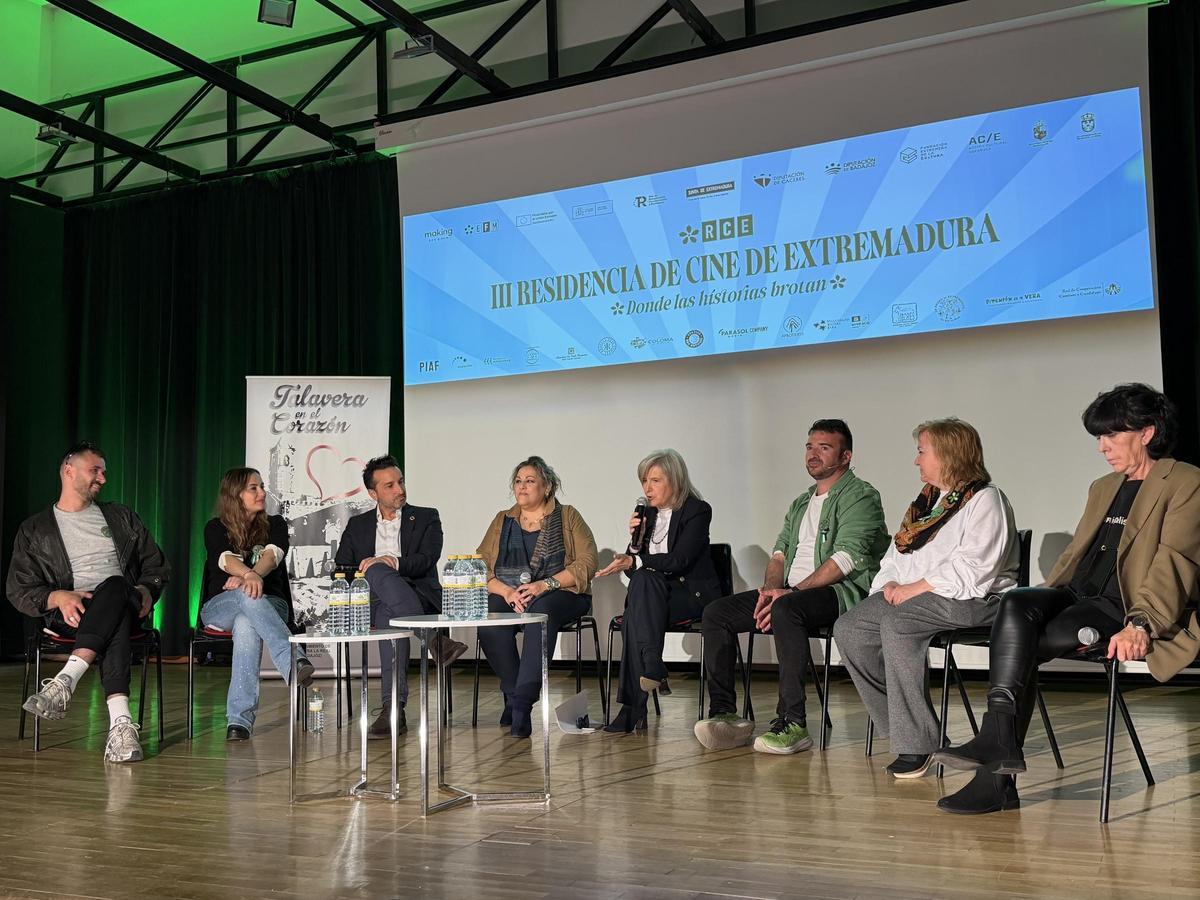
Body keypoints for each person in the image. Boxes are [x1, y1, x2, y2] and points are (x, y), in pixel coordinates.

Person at [934, 384, 1200, 814]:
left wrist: (1142, 624)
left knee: (1019, 650)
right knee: (1017, 602)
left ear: (1147, 432)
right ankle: (998, 744)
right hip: (1077, 596)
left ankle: (995, 775)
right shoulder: (1104, 486)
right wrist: (1045, 595)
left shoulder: (1184, 482)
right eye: (1099, 437)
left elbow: (1174, 561)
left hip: (1123, 607)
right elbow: (1080, 556)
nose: (1102, 447)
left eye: (1112, 435)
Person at [833, 419, 1019, 778]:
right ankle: (910, 730)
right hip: (918, 596)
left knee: (898, 624)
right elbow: (894, 558)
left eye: (922, 452)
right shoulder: (925, 505)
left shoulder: (985, 500)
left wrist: (913, 589)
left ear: (949, 455)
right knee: (850, 629)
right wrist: (887, 586)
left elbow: (974, 570)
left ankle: (915, 743)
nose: (916, 461)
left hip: (977, 598)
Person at [695, 420, 890, 753]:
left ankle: (793, 723)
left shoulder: (861, 495)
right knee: (717, 613)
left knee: (787, 608)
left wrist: (791, 594)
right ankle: (724, 714)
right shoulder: (801, 503)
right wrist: (770, 591)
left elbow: (846, 559)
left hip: (839, 594)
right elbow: (779, 554)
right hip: (789, 594)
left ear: (845, 457)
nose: (813, 454)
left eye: (824, 447)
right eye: (809, 446)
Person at [8, 442, 170, 763]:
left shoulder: (121, 517)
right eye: (95, 470)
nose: (103, 478)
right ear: (69, 471)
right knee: (115, 618)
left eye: (104, 472)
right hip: (70, 615)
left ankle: (66, 680)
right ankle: (121, 727)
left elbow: (156, 565)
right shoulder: (35, 529)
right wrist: (58, 596)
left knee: (114, 587)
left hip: (126, 599)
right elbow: (18, 588)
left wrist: (148, 590)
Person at [597, 449, 722, 734]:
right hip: (652, 598)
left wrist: (637, 561)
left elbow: (680, 560)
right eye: (644, 481)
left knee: (635, 614)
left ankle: (632, 709)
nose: (647, 488)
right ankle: (652, 663)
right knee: (641, 589)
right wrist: (633, 545)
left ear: (674, 480)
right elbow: (634, 571)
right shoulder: (647, 516)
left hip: (689, 596)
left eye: (655, 480)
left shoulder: (697, 510)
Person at [336, 454, 461, 738]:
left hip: (418, 594)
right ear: (373, 493)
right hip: (371, 597)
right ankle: (435, 642)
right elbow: (340, 570)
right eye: (390, 485)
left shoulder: (427, 516)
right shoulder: (358, 526)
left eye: (401, 482)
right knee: (376, 573)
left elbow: (427, 560)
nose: (399, 490)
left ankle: (393, 709)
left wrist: (392, 561)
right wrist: (375, 568)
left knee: (389, 612)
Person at [477, 456, 598, 738]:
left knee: (539, 612)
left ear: (547, 487)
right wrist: (506, 591)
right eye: (518, 481)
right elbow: (480, 563)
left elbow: (587, 562)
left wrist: (545, 584)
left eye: (530, 481)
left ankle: (521, 705)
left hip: (561, 593)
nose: (522, 486)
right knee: (488, 616)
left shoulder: (568, 516)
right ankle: (513, 691)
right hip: (512, 593)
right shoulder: (502, 520)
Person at [200, 467, 314, 741]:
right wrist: (247, 575)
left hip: (271, 603)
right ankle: (291, 661)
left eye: (261, 486)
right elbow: (225, 560)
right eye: (254, 488)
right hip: (220, 606)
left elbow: (272, 557)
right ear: (235, 494)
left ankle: (238, 722)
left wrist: (251, 577)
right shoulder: (215, 527)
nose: (262, 492)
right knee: (244, 597)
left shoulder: (275, 524)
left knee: (246, 620)